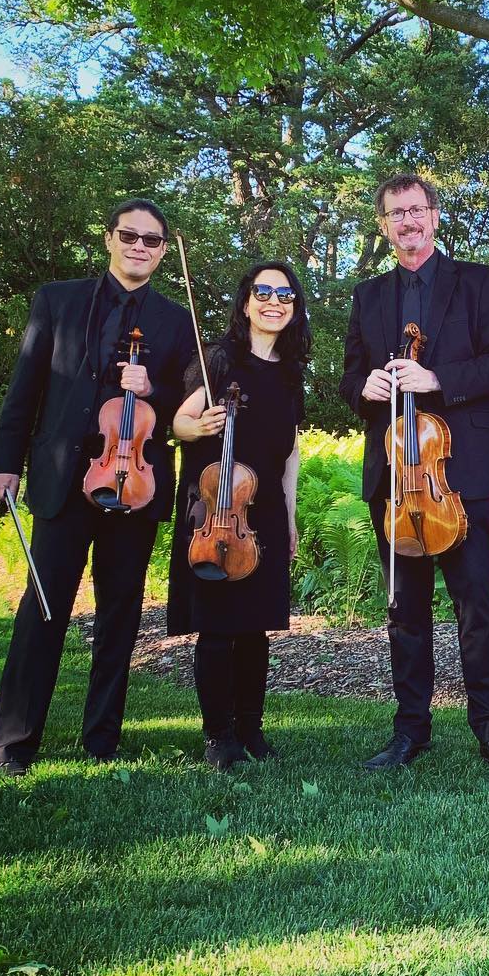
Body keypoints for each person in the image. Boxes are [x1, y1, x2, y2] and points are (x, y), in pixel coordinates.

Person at [0, 200, 193, 776]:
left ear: (161, 251)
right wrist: (7, 460)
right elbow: (25, 386)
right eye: (130, 235)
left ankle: (101, 737)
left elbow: (186, 407)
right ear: (109, 239)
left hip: (135, 483)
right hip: (63, 477)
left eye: (152, 241)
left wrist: (153, 389)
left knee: (120, 615)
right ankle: (15, 741)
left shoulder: (176, 322)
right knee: (42, 611)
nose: (140, 247)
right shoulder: (58, 300)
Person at [340, 173, 489, 773]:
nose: (408, 222)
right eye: (396, 213)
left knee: (476, 604)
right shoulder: (368, 296)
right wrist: (365, 388)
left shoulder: (479, 281)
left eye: (417, 210)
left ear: (435, 217)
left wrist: (439, 378)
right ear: (383, 224)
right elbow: (348, 379)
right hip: (395, 477)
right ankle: (410, 731)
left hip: (460, 475)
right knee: (404, 609)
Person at [167, 262, 308, 770]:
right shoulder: (219, 360)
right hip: (216, 507)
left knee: (256, 626)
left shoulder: (291, 373)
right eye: (263, 292)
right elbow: (180, 423)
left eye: (285, 295)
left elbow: (290, 452)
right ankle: (218, 735)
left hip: (262, 510)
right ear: (246, 301)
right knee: (219, 626)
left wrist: (289, 516)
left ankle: (252, 728)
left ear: (294, 308)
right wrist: (197, 423)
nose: (275, 301)